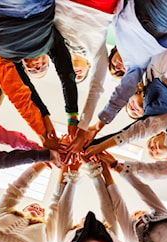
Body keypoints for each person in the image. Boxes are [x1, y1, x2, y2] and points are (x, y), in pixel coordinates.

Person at [85, 0, 167, 143]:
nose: (118, 67)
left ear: (113, 51)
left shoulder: (116, 30)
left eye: (113, 65)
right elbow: (123, 97)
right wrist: (97, 129)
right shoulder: (138, 68)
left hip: (134, 9)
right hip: (157, 25)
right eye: (120, 72)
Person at [0, 0, 80, 137]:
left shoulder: (6, 62)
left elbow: (24, 90)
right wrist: (72, 114)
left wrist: (44, 120)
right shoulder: (48, 41)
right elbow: (66, 73)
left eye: (32, 70)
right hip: (29, 11)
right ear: (48, 59)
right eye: (41, 67)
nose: (37, 67)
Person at [53, 0, 124, 156]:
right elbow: (96, 88)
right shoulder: (98, 55)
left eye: (75, 77)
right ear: (89, 68)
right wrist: (82, 127)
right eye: (81, 76)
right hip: (99, 8)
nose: (76, 74)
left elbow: (66, 78)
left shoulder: (56, 52)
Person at [46, 158, 141, 242]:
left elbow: (64, 210)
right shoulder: (69, 235)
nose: (87, 219)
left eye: (85, 220)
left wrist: (77, 175)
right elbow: (66, 209)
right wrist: (94, 175)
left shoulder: (108, 231)